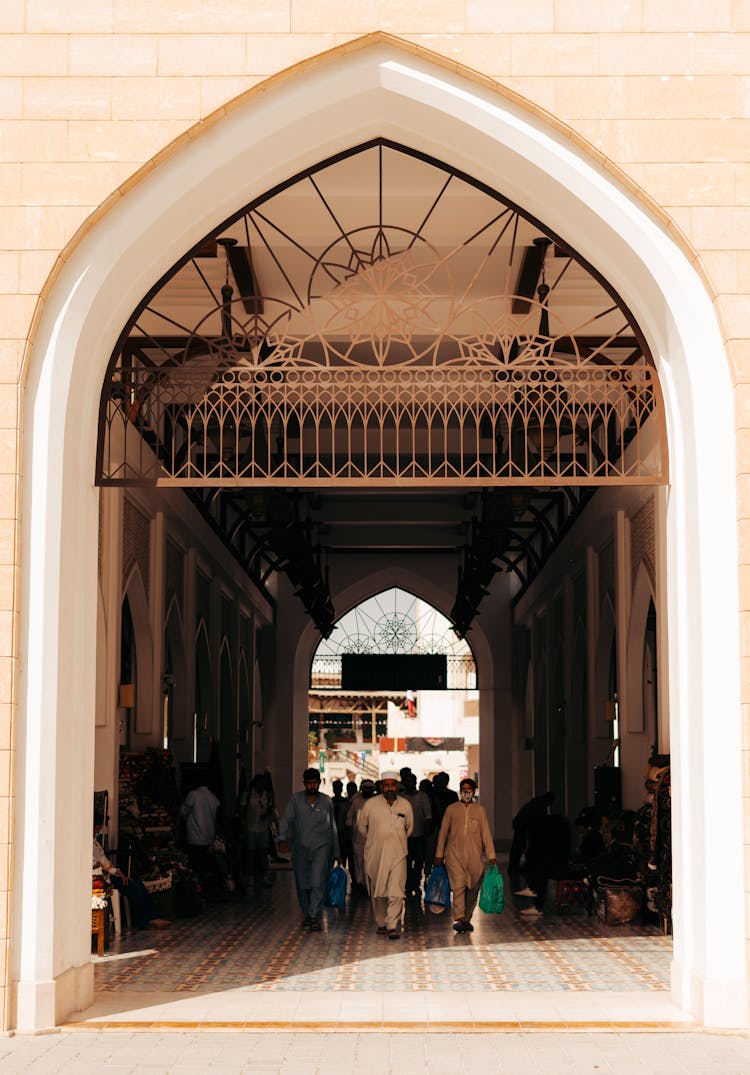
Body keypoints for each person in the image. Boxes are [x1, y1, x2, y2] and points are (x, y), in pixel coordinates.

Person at [278, 768, 339, 932]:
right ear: (304, 783)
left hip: (321, 848)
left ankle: (314, 917)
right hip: (301, 850)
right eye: (309, 783)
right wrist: (281, 838)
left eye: (315, 783)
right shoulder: (296, 800)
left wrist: (337, 851)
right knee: (303, 884)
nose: (312, 786)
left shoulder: (327, 801)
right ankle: (307, 913)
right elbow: (285, 820)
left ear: (319, 783)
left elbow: (333, 827)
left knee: (317, 882)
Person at [434, 777, 497, 933]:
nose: (465, 793)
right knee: (459, 885)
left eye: (469, 790)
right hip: (453, 854)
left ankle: (466, 919)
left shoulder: (479, 810)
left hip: (475, 856)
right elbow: (443, 833)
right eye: (463, 789)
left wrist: (491, 855)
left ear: (473, 792)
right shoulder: (451, 809)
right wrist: (439, 854)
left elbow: (486, 834)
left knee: (473, 887)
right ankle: (460, 918)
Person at [358, 771, 413, 939]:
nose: (390, 788)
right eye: (386, 785)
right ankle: (381, 922)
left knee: (396, 889)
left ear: (397, 786)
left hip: (398, 854)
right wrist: (376, 840)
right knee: (379, 890)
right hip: (376, 854)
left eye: (393, 785)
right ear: (381, 786)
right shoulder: (370, 804)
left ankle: (391, 925)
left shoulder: (405, 805)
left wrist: (396, 840)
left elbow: (409, 828)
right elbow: (362, 827)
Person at [92, 828, 170, 931]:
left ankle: (152, 916)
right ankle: (145, 920)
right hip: (99, 877)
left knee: (137, 882)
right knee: (132, 886)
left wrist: (117, 871)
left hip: (107, 873)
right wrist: (109, 869)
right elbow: (97, 864)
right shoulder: (88, 844)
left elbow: (104, 862)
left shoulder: (95, 843)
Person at [180, 782, 232, 896]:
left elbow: (183, 811)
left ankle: (198, 888)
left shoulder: (193, 795)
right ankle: (206, 889)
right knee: (206, 864)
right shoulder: (212, 797)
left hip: (194, 838)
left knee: (196, 864)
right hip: (208, 837)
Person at [509, 790, 556, 879]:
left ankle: (513, 867)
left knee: (518, 846)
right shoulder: (540, 805)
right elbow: (538, 819)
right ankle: (513, 867)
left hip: (520, 823)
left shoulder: (537, 802)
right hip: (522, 825)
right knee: (519, 846)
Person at [401, 773, 432, 898]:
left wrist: (427, 835)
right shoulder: (401, 798)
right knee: (406, 863)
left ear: (415, 782)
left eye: (411, 781)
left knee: (419, 863)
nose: (409, 784)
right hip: (405, 838)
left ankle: (416, 884)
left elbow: (428, 816)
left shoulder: (423, 797)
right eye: (406, 782)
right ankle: (408, 885)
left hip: (420, 836)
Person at [346, 777, 375, 895]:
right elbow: (349, 820)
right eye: (365, 788)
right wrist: (349, 836)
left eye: (370, 789)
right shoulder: (356, 802)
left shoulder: (377, 802)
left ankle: (370, 887)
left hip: (373, 840)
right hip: (358, 839)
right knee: (358, 863)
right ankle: (361, 885)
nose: (367, 790)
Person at [245, 773, 272, 887]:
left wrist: (267, 817)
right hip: (251, 827)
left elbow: (270, 809)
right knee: (251, 853)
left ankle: (264, 876)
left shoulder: (267, 795)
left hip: (263, 827)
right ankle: (250, 877)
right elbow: (243, 808)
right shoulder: (249, 794)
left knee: (263, 853)